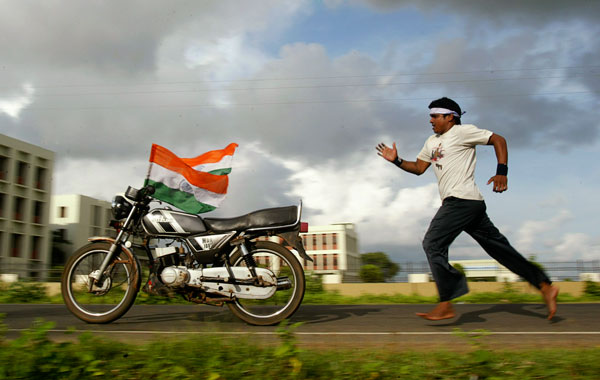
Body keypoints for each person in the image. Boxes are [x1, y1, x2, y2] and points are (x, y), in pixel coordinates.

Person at [376, 97, 559, 321]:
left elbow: (498, 140)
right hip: (469, 205)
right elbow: (419, 168)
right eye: (430, 116)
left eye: (435, 116)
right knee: (500, 250)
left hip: (460, 201)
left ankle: (447, 301)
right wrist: (397, 161)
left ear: (450, 117)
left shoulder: (463, 133)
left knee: (432, 243)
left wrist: (502, 171)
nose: (431, 120)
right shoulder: (431, 142)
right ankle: (544, 285)